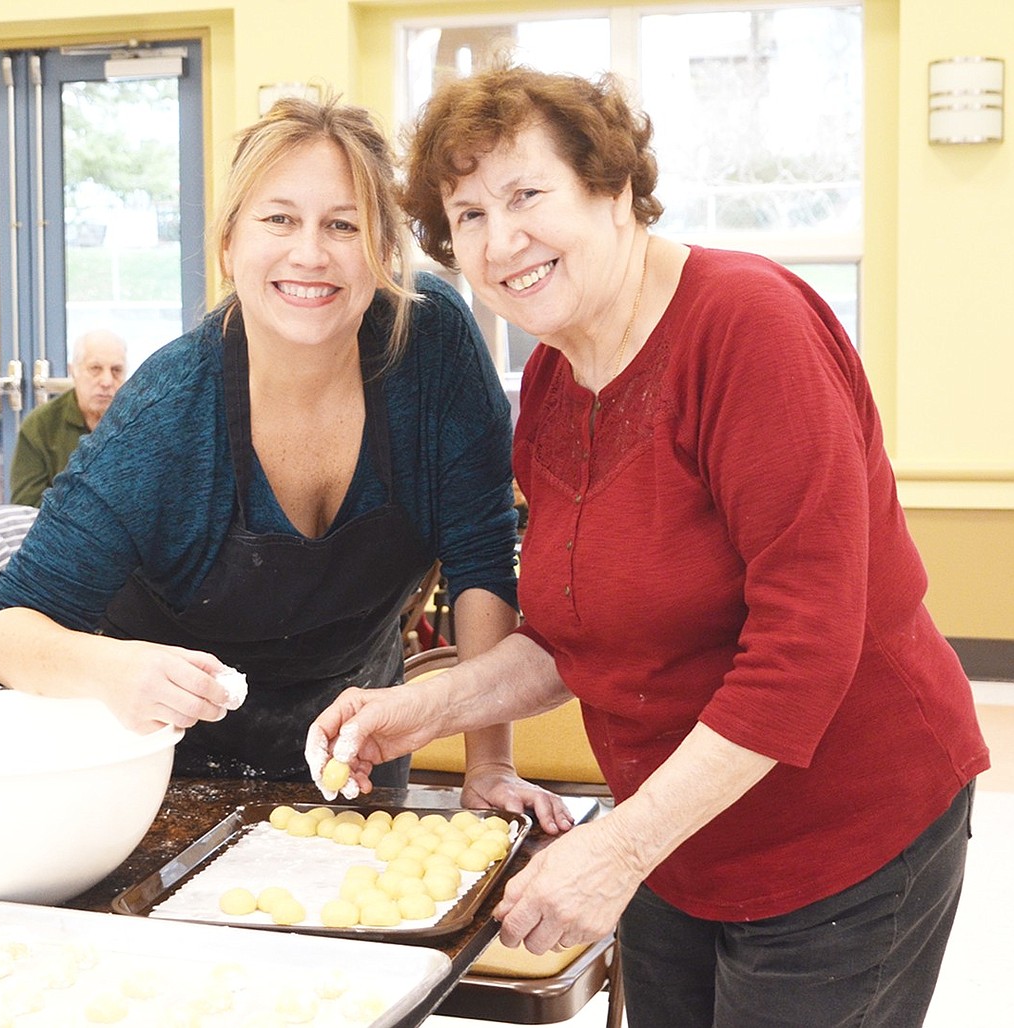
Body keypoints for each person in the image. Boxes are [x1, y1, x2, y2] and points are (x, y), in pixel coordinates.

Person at [306, 67, 990, 1027]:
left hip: (845, 833)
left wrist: (621, 847)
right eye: (467, 215)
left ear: (616, 190)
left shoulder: (750, 330)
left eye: (527, 194)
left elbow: (805, 651)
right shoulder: (549, 381)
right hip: (681, 833)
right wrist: (423, 709)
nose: (502, 241)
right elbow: (575, 638)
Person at [0, 94, 571, 831]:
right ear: (228, 246)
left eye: (343, 225)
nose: (310, 253)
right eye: (279, 219)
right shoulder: (169, 412)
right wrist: (113, 670)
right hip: (165, 769)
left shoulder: (432, 347)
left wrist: (491, 766)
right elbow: (2, 628)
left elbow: (481, 558)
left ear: (383, 251)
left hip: (356, 745)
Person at [9, 329, 128, 506]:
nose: (106, 381)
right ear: (74, 371)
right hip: (62, 533)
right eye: (95, 369)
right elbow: (25, 507)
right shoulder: (39, 427)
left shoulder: (143, 423)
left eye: (116, 370)